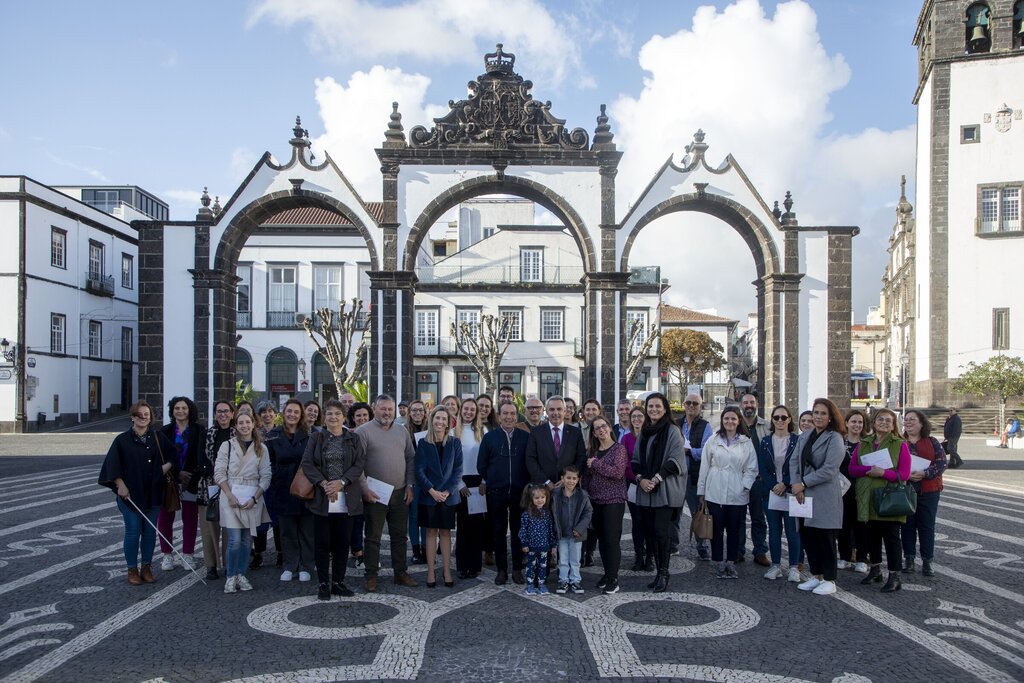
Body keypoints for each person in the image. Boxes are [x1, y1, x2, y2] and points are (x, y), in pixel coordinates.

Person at [98, 400, 177, 585]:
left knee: (149, 532)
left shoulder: (157, 437)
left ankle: (147, 567)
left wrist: (164, 468)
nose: (143, 418)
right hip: (130, 495)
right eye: (139, 415)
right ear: (133, 417)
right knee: (133, 531)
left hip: (154, 493)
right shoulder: (122, 440)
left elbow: (173, 455)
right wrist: (120, 485)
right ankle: (132, 569)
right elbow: (112, 465)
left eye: (146, 415)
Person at [301, 398, 365, 600]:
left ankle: (338, 581)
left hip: (346, 498)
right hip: (323, 497)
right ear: (324, 416)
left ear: (343, 417)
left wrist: (342, 482)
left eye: (337, 414)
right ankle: (322, 582)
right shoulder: (316, 438)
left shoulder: (353, 439)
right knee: (322, 543)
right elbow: (307, 463)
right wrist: (324, 484)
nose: (333, 417)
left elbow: (359, 464)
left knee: (342, 542)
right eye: (329, 413)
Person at [356, 394, 418, 592]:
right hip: (375, 494)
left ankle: (400, 572)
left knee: (400, 536)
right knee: (372, 537)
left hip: (400, 493)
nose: (387, 413)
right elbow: (357, 465)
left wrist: (410, 485)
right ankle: (371, 575)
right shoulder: (363, 432)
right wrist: (364, 489)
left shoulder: (402, 431)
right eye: (383, 408)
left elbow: (410, 459)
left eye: (390, 409)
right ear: (375, 409)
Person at [849, 408, 911, 593]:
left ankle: (895, 575)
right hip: (867, 496)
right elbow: (852, 469)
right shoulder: (865, 442)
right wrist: (869, 470)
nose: (884, 423)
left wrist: (883, 473)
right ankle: (875, 569)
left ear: (893, 425)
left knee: (891, 538)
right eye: (880, 419)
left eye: (888, 420)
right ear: (874, 422)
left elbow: (904, 473)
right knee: (871, 537)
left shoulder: (900, 444)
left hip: (889, 497)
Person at [790, 398, 847, 596]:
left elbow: (830, 469)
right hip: (802, 495)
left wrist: (804, 483)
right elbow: (793, 462)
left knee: (825, 538)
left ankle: (830, 579)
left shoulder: (835, 438)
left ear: (830, 416)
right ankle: (817, 575)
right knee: (808, 536)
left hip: (824, 495)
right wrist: (797, 486)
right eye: (816, 412)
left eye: (823, 413)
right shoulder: (805, 436)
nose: (818, 416)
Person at [632, 393, 687, 592]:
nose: (653, 409)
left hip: (665, 489)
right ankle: (657, 573)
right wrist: (641, 479)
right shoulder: (644, 431)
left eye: (657, 406)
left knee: (662, 532)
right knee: (651, 533)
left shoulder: (673, 430)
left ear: (665, 409)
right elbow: (636, 460)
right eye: (650, 406)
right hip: (647, 490)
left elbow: (675, 460)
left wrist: (655, 480)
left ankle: (664, 573)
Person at [215, 410, 272, 593]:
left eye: (248, 422)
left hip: (252, 495)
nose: (245, 426)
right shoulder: (227, 446)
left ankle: (242, 574)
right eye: (241, 423)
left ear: (253, 424)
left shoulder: (261, 448)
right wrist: (229, 494)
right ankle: (231, 575)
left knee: (247, 540)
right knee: (234, 540)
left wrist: (255, 497)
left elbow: (266, 475)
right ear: (236, 425)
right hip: (231, 494)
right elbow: (219, 472)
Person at [698, 406, 757, 580]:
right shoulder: (713, 440)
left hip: (736, 491)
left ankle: (731, 561)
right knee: (715, 528)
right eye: (726, 419)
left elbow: (752, 468)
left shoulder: (746, 442)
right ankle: (718, 561)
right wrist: (701, 491)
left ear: (738, 421)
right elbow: (705, 466)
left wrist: (744, 486)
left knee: (734, 529)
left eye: (733, 419)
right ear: (722, 421)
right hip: (714, 490)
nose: (729, 422)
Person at [479, 401, 531, 585]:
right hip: (497, 493)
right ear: (499, 416)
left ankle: (517, 569)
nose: (509, 417)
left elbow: (530, 463)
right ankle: (501, 570)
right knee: (498, 532)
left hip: (519, 492)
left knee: (519, 532)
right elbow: (481, 465)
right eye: (505, 413)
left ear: (516, 416)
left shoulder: (525, 437)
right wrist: (493, 481)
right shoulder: (490, 438)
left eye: (512, 414)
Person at [415, 405, 463, 588]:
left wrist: (448, 491)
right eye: (437, 418)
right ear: (432, 419)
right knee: (430, 532)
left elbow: (458, 470)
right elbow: (419, 470)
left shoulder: (454, 442)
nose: (440, 422)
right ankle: (430, 572)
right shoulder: (423, 443)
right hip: (429, 496)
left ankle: (446, 571)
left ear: (448, 422)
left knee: (445, 533)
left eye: (444, 419)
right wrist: (432, 490)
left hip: (448, 497)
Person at [267, 399, 314, 583]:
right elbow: (268, 461)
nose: (292, 414)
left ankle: (306, 565)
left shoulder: (309, 435)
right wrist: (276, 476)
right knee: (287, 531)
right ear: (283, 413)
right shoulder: (273, 435)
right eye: (289, 411)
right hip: (283, 488)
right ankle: (289, 565)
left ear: (301, 414)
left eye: (296, 412)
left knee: (307, 530)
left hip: (305, 488)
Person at [158, 396, 206, 572]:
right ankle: (167, 555)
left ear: (189, 410)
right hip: (170, 480)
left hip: (192, 480)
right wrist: (177, 473)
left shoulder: (199, 430)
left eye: (184, 408)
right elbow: (162, 457)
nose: (180, 411)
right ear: (172, 411)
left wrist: (191, 475)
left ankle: (188, 555)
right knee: (165, 517)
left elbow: (202, 455)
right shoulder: (165, 431)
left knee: (190, 519)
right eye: (177, 408)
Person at [584, 415, 628, 594]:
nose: (601, 430)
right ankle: (607, 573)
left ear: (610, 428)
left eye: (604, 426)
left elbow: (617, 473)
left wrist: (596, 464)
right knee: (602, 540)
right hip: (596, 500)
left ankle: (613, 578)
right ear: (593, 433)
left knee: (611, 540)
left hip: (614, 501)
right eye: (597, 428)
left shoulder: (619, 450)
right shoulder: (592, 452)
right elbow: (587, 477)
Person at [900, 410, 947, 577]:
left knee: (927, 526)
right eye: (906, 420)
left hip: (929, 490)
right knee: (907, 526)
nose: (908, 422)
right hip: (906, 489)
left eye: (912, 419)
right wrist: (906, 474)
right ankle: (909, 559)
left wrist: (925, 473)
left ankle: (928, 561)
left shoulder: (932, 442)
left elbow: (941, 463)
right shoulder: (899, 441)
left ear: (921, 423)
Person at [758, 405, 801, 582]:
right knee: (774, 530)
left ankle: (794, 567)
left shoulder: (797, 441)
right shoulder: (766, 442)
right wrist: (774, 485)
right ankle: (776, 565)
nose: (780, 421)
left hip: (791, 492)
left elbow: (800, 466)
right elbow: (762, 467)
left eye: (784, 417)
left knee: (793, 531)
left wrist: (786, 483)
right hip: (772, 492)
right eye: (776, 418)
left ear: (790, 419)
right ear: (772, 420)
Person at [197, 400, 234, 580]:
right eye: (219, 412)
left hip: (232, 486)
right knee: (209, 528)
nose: (223, 415)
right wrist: (214, 474)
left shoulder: (238, 433)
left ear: (232, 414)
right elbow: (201, 459)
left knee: (229, 528)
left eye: (226, 411)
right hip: (209, 486)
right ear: (215, 414)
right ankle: (211, 565)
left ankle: (229, 564)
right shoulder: (207, 434)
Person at [678, 393, 713, 560]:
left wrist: (689, 451)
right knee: (673, 514)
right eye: (688, 403)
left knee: (697, 513)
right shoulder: (676, 424)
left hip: (694, 477)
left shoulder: (706, 426)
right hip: (676, 477)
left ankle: (702, 546)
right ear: (683, 404)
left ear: (701, 406)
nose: (691, 406)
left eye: (695, 404)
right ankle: (672, 545)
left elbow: (706, 451)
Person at [525, 396, 587, 488]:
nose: (555, 413)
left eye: (559, 409)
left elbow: (581, 459)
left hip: (568, 488)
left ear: (564, 411)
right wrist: (546, 481)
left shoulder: (576, 432)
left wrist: (566, 480)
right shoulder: (536, 432)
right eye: (552, 409)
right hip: (542, 490)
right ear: (546, 412)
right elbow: (530, 459)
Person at [455, 398, 486, 578]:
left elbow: (488, 459)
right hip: (461, 482)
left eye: (472, 410)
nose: (469, 412)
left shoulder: (483, 431)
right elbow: (452, 462)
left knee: (477, 526)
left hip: (478, 482)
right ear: (461, 411)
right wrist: (459, 484)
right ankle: (462, 565)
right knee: (463, 526)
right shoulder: (453, 432)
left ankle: (474, 565)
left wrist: (485, 482)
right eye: (466, 409)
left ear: (476, 413)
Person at [738, 393, 770, 566]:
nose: (748, 405)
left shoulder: (767, 426)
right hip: (739, 479)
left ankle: (760, 551)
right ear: (740, 405)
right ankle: (738, 551)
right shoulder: (734, 424)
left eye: (751, 402)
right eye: (745, 402)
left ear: (757, 404)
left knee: (758, 518)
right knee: (738, 517)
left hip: (758, 480)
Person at [552, 465, 593, 595]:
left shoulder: (582, 495)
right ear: (562, 479)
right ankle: (563, 580)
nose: (571, 481)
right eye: (568, 478)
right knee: (563, 559)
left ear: (578, 479)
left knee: (575, 559)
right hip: (562, 533)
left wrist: (580, 529)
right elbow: (552, 513)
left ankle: (575, 580)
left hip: (576, 534)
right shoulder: (555, 495)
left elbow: (588, 512)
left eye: (574, 478)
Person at [621, 407, 650, 571]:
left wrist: (648, 480)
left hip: (650, 485)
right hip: (633, 484)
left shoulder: (650, 437)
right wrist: (638, 479)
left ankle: (650, 557)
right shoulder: (626, 438)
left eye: (640, 416)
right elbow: (625, 462)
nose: (637, 419)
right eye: (634, 416)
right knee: (637, 521)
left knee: (649, 521)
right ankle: (639, 556)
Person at [841, 409, 871, 573]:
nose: (857, 425)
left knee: (862, 525)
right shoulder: (840, 441)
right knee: (843, 524)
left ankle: (861, 558)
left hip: (862, 488)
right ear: (846, 423)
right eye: (853, 421)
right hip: (843, 489)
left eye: (860, 422)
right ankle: (844, 556)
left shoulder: (868, 443)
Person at [518, 484, 558, 594]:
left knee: (543, 566)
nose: (540, 500)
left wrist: (553, 544)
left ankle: (541, 584)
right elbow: (523, 530)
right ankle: (530, 584)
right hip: (531, 546)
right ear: (531, 499)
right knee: (531, 566)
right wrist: (524, 543)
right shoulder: (527, 514)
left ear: (546, 498)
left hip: (544, 546)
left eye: (542, 497)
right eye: (537, 498)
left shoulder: (548, 513)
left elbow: (551, 530)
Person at [405, 400, 430, 564]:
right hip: (412, 479)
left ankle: (425, 548)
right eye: (414, 410)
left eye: (420, 410)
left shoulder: (431, 430)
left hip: (428, 478)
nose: (417, 413)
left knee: (426, 516)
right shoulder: (403, 431)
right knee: (413, 516)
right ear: (409, 413)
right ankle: (415, 550)